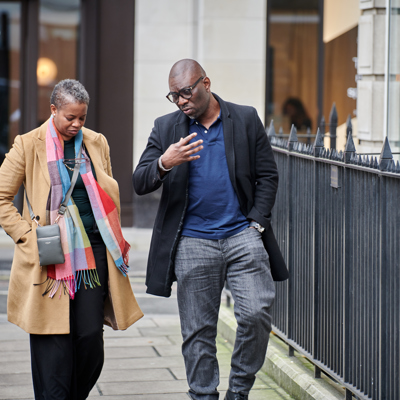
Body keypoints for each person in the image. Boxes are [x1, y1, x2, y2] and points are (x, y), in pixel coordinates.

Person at [133, 59, 289, 400]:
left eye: (186, 91)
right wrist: (165, 162)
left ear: (206, 82)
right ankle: (203, 395)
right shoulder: (167, 128)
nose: (181, 101)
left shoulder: (244, 118)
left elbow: (268, 176)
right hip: (192, 241)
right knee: (198, 330)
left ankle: (238, 391)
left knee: (256, 314)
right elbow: (139, 181)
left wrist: (257, 223)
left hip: (242, 236)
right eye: (174, 95)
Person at [0, 79, 143, 400]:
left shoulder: (96, 143)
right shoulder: (28, 144)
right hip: (49, 257)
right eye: (70, 118)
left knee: (90, 338)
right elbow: (1, 197)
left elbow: (105, 193)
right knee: (53, 342)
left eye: (82, 118)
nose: (77, 124)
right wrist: (27, 236)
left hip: (92, 255)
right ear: (53, 110)